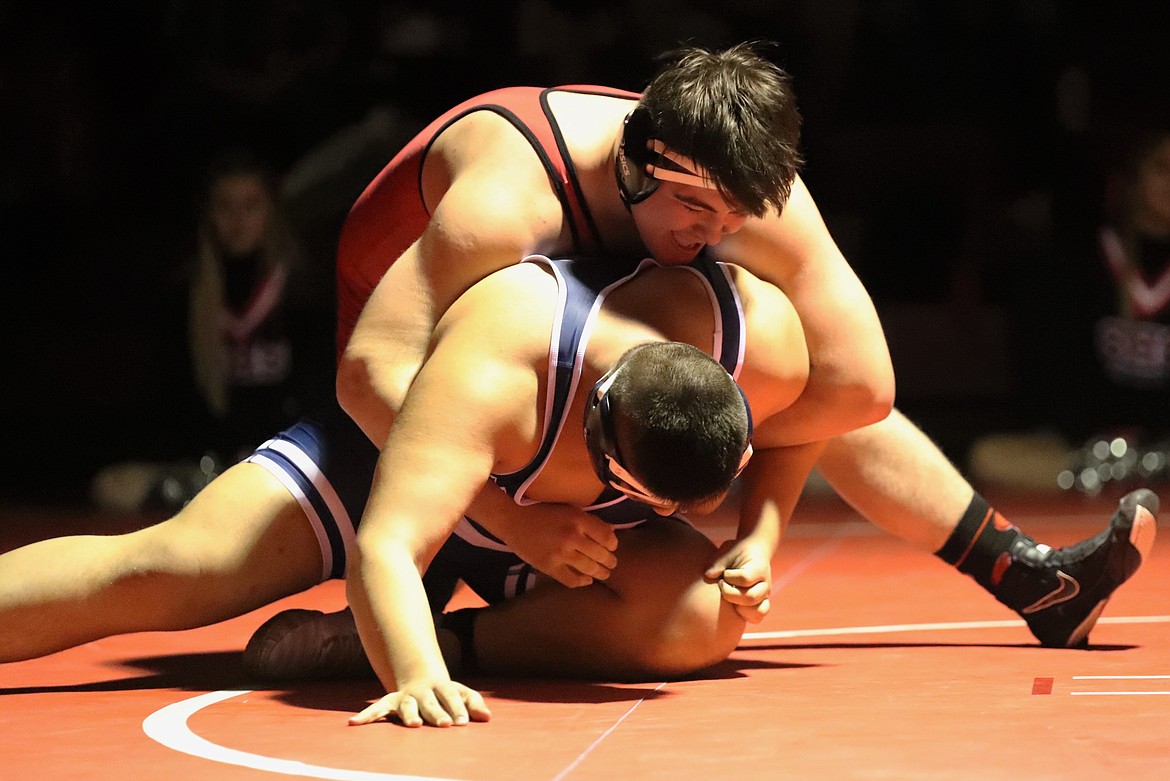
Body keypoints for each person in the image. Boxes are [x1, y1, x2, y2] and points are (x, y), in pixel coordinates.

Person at [322, 38, 1157, 658]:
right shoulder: (505, 203)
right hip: (409, 350)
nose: (717, 235)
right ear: (643, 172)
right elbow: (369, 373)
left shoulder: (732, 186)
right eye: (700, 216)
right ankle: (408, 612)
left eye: (733, 222)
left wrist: (749, 507)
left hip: (567, 361)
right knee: (195, 574)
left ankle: (1026, 576)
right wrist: (508, 513)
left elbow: (860, 384)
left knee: (781, 368)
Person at [0, 250, 810, 730]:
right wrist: (416, 675)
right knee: (168, 569)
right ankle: (409, 638)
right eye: (645, 497)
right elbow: (389, 539)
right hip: (390, 461)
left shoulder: (762, 341)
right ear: (604, 440)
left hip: (541, 528)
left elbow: (848, 410)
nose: (659, 518)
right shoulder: (501, 369)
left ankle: (384, 641)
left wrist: (761, 538)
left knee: (705, 617)